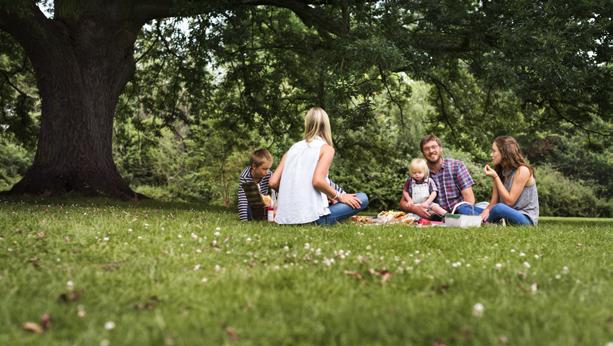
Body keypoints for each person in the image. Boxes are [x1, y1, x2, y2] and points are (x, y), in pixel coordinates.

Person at [269, 107, 368, 225]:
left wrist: (294, 192)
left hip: (284, 219)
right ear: (326, 126)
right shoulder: (326, 149)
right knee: (362, 198)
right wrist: (339, 196)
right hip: (312, 219)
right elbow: (317, 181)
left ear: (307, 124)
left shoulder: (292, 149)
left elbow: (273, 182)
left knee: (341, 198)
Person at [400, 134, 482, 219]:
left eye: (434, 147)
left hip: (459, 211)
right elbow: (403, 203)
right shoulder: (419, 172)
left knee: (467, 210)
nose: (431, 151)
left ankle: (484, 217)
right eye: (426, 149)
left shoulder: (456, 166)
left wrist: (465, 218)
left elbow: (470, 200)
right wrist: (415, 209)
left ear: (440, 148)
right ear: (423, 153)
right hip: (435, 215)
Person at [480, 136, 539, 225]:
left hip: (525, 218)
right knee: (464, 208)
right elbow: (493, 202)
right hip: (505, 215)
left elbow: (509, 202)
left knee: (499, 208)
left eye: (494, 151)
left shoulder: (522, 170)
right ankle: (485, 221)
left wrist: (495, 177)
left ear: (504, 152)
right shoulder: (500, 171)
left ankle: (483, 222)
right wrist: (486, 210)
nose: (491, 155)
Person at [237, 149, 273, 221]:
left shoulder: (268, 174)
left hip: (264, 204)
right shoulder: (245, 176)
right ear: (254, 166)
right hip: (251, 204)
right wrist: (244, 220)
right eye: (264, 169)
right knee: (248, 208)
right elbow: (242, 199)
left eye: (268, 169)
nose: (267, 172)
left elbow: (274, 192)